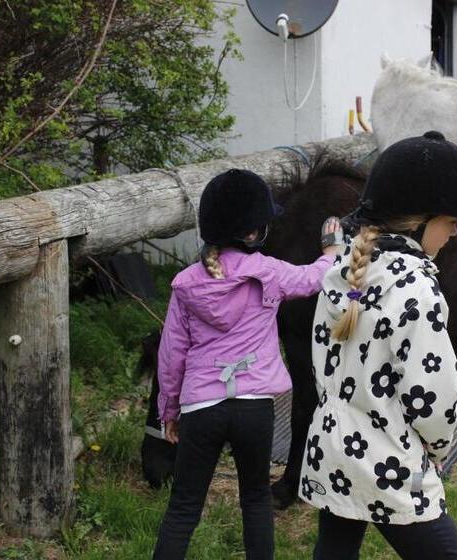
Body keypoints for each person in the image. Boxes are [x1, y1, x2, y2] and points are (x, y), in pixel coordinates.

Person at [299, 131, 457, 559]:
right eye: (451, 221)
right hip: (388, 461)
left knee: (334, 550)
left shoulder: (344, 271)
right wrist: (438, 447)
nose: (456, 232)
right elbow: (430, 397)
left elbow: (322, 365)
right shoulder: (418, 291)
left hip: (333, 447)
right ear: (419, 220)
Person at [153, 168, 343, 560]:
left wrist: (168, 410)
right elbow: (313, 279)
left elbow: (171, 356)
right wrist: (332, 254)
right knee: (256, 501)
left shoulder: (186, 283)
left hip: (201, 408)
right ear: (254, 233)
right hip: (254, 408)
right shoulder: (269, 273)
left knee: (184, 508)